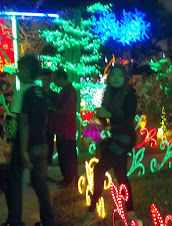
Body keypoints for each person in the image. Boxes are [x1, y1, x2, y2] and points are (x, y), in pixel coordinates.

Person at [80, 65, 140, 225]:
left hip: (124, 138)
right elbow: (106, 120)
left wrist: (110, 115)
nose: (116, 78)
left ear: (125, 78)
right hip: (112, 138)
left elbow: (127, 118)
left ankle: (91, 212)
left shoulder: (129, 96)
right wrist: (99, 121)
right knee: (120, 175)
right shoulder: (108, 94)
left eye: (120, 76)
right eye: (113, 75)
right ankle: (131, 212)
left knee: (99, 169)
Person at [2, 56, 55, 226]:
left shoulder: (22, 92)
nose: (17, 72)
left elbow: (23, 122)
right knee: (39, 183)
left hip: (26, 145)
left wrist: (22, 149)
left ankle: (14, 220)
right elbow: (43, 119)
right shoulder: (40, 92)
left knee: (14, 181)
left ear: (26, 71)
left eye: (20, 68)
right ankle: (48, 220)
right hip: (41, 144)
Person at [51, 69, 78, 187]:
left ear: (61, 79)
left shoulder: (69, 92)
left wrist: (53, 110)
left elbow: (66, 110)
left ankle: (70, 180)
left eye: (55, 79)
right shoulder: (66, 90)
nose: (53, 82)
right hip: (63, 129)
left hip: (66, 129)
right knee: (64, 155)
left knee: (67, 156)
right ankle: (68, 178)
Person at [40, 69, 57, 167]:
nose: (46, 82)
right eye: (44, 79)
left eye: (47, 79)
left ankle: (47, 164)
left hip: (50, 124)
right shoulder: (38, 93)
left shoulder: (54, 95)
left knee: (49, 144)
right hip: (39, 124)